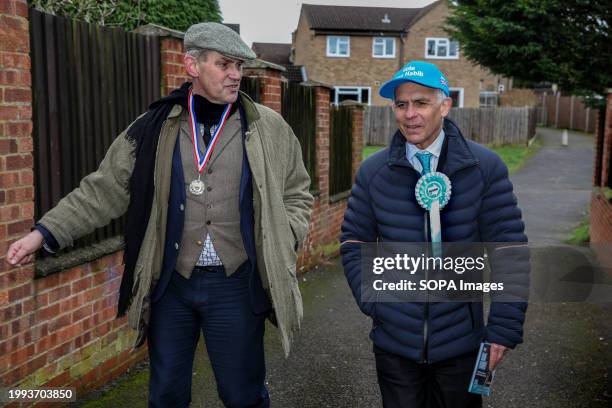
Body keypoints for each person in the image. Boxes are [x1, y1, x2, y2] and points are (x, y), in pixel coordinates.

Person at [6, 22, 313, 408]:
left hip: (237, 284)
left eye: (239, 66)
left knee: (242, 394)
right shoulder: (154, 127)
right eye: (224, 64)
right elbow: (103, 189)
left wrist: (286, 234)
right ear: (191, 65)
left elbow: (298, 191)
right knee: (166, 393)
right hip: (171, 285)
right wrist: (43, 234)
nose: (235, 74)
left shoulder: (267, 128)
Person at [340, 61, 529, 408]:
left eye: (421, 103)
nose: (410, 114)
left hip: (463, 343)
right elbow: (354, 242)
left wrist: (503, 328)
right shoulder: (374, 172)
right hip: (394, 346)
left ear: (445, 105)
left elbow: (509, 250)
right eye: (401, 104)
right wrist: (376, 302)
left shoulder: (484, 167)